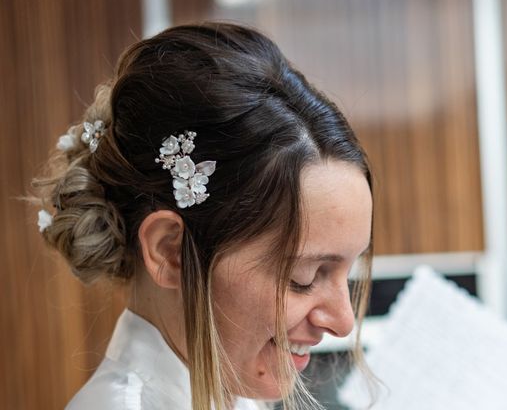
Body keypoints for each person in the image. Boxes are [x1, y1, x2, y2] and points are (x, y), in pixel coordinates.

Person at [32, 22, 374, 410]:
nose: (343, 321)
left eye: (350, 271)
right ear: (170, 250)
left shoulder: (233, 392)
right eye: (303, 278)